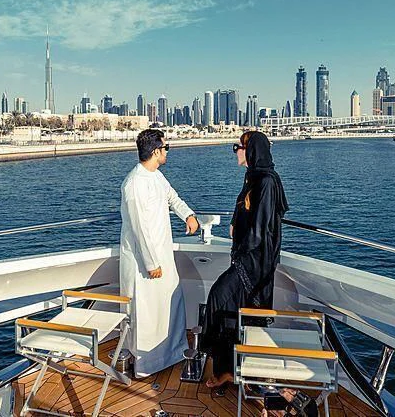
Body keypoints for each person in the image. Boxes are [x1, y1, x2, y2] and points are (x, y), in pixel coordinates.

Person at [201, 130, 289, 388]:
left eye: (237, 147)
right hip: (244, 258)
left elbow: (260, 229)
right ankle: (230, 371)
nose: (235, 151)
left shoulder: (266, 181)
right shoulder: (253, 177)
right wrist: (233, 225)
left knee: (219, 296)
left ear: (251, 151)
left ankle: (240, 371)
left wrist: (240, 251)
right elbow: (246, 214)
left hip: (253, 263)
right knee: (233, 312)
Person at [120, 129, 200, 377]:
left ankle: (173, 353)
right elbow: (139, 229)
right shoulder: (133, 184)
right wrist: (151, 263)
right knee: (146, 312)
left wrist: (188, 214)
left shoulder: (157, 177)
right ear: (156, 151)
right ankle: (147, 364)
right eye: (166, 148)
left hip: (163, 255)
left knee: (170, 304)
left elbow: (173, 198)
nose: (167, 151)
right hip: (144, 264)